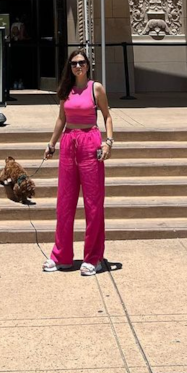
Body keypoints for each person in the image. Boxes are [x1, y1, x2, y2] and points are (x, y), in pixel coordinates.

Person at [42, 49, 114, 275]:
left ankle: (93, 258)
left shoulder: (96, 88)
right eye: (74, 63)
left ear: (88, 65)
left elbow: (107, 115)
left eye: (82, 63)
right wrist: (51, 144)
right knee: (64, 202)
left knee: (93, 203)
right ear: (70, 67)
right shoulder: (66, 90)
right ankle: (61, 255)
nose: (78, 67)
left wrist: (108, 142)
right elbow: (61, 119)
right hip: (69, 142)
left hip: (90, 141)